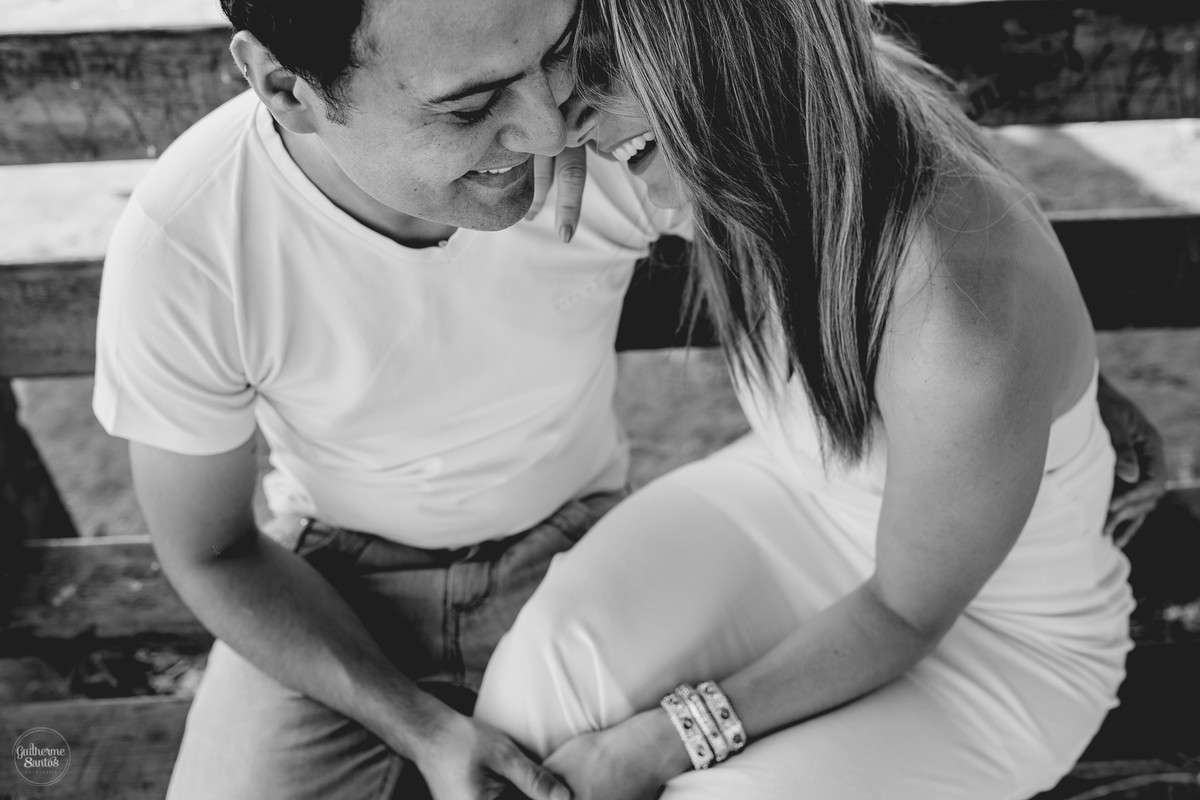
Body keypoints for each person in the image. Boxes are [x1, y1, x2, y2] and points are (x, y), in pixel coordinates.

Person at [92, 1, 1161, 799]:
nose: (551, 133)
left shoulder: (703, 166)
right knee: (535, 709)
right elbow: (211, 545)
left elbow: (917, 559)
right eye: (482, 102)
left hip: (970, 627)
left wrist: (666, 737)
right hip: (755, 511)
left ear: (733, 98)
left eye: (561, 78)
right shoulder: (692, 147)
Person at [469, 1, 1166, 798]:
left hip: (985, 639)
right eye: (570, 59)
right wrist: (548, 147)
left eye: (600, 62)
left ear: (726, 55)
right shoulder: (784, 131)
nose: (567, 114)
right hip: (805, 498)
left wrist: (662, 741)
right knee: (542, 688)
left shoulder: (951, 320)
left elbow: (906, 614)